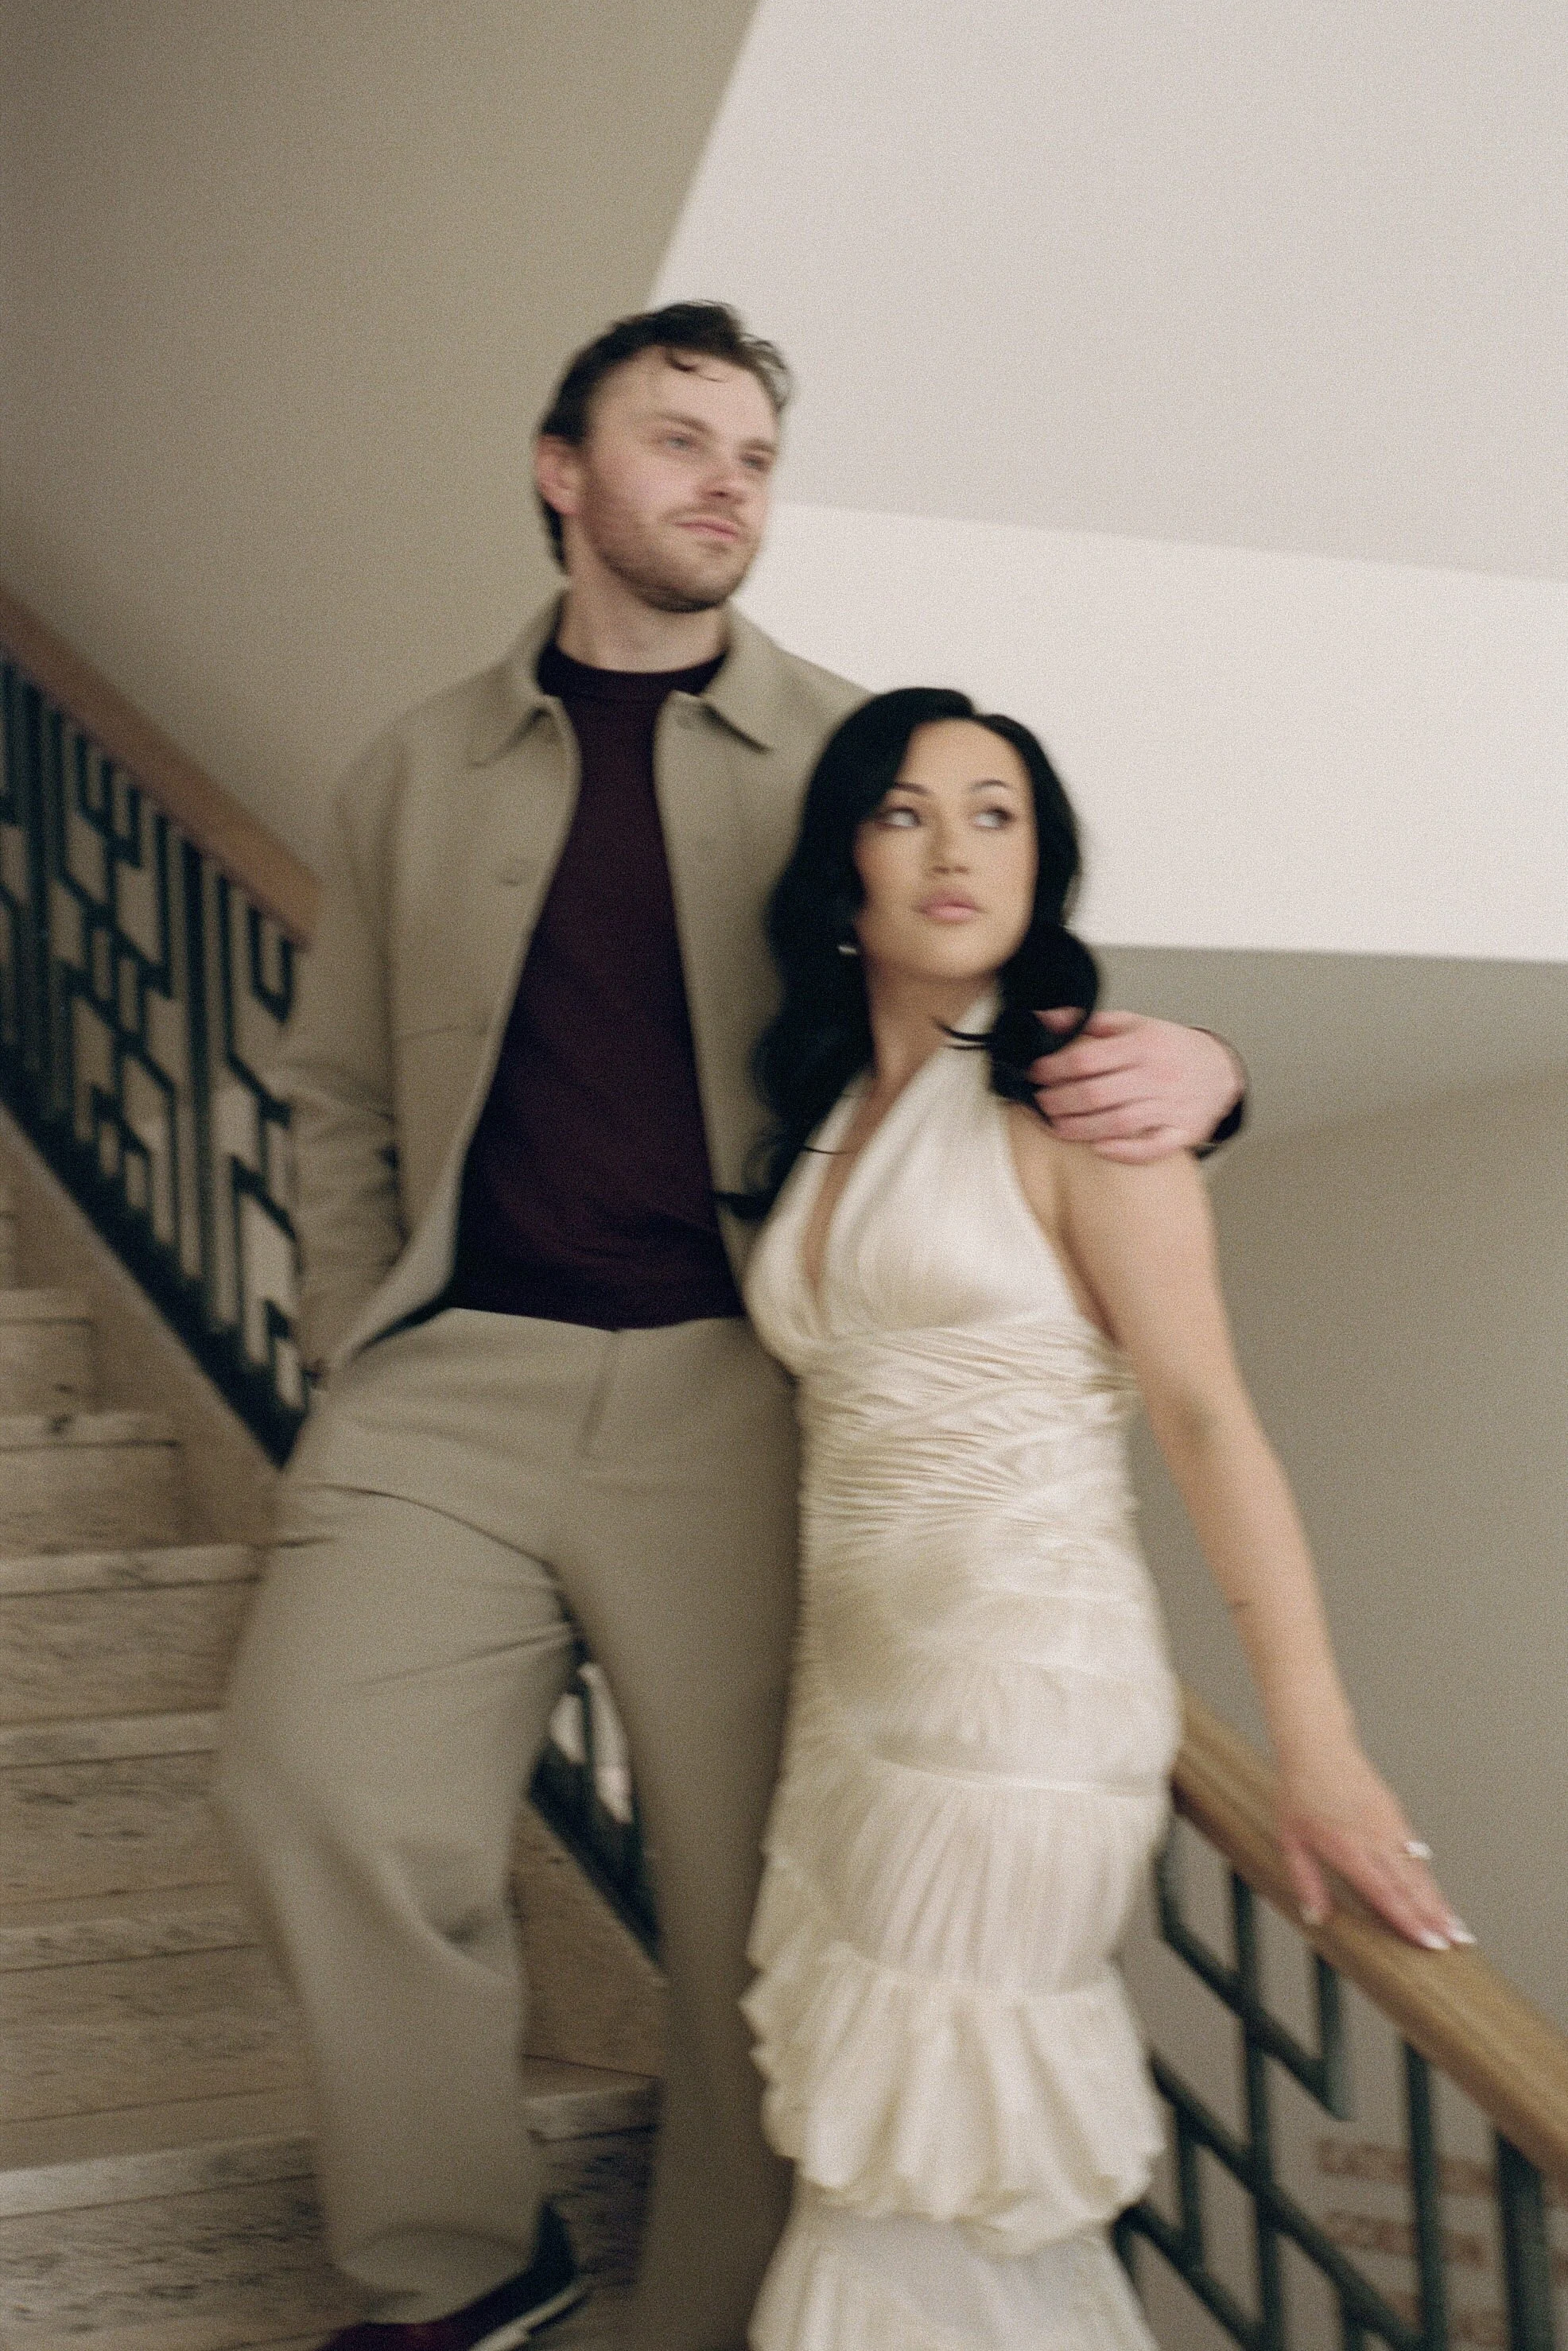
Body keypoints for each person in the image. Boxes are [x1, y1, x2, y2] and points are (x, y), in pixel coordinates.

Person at [214, 305, 1247, 2351]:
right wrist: (353, 1324)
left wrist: (1208, 1065)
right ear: (557, 469)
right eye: (679, 440)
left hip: (736, 1387)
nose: (726, 485)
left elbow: (1000, 965)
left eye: (756, 456)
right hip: (448, 1378)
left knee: (751, 1902)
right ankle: (467, 2261)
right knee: (308, 1778)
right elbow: (332, 1089)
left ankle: (702, 2319)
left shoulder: (848, 755)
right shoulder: (413, 764)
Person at [735, 689, 1471, 2350]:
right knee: (896, 2174)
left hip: (1020, 1693)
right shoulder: (828, 1110)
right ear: (841, 855)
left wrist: (1318, 1742)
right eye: (906, 809)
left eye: (995, 813)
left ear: (1042, 860)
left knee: (930, 2183)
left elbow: (1205, 1416)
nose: (951, 847)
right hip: (849, 1704)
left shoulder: (1084, 1096)